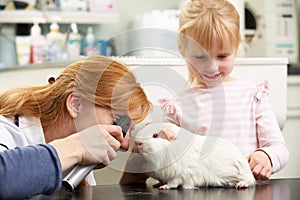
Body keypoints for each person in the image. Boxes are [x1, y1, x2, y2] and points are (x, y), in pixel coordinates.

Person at [120, 0, 289, 185]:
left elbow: (279, 147)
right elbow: (161, 155)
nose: (212, 66)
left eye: (222, 56)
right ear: (182, 49)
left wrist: (267, 156)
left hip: (246, 191)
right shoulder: (176, 107)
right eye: (200, 57)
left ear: (237, 46)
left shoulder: (252, 97)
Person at [0, 55, 151, 199]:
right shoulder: (6, 129)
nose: (124, 145)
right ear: (75, 104)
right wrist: (77, 146)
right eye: (118, 121)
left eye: (127, 131)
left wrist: (133, 180)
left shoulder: (78, 161)